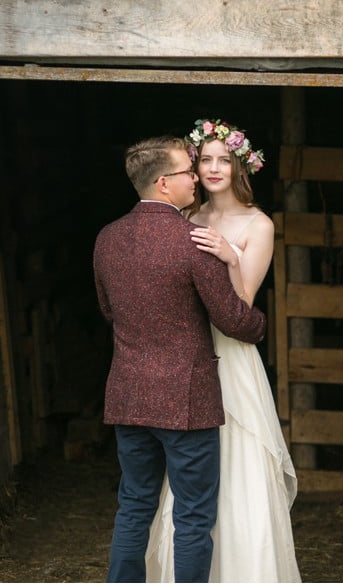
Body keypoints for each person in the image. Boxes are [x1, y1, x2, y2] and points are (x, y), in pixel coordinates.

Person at [94, 135, 267, 583]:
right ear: (165, 183)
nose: (197, 177)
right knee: (192, 517)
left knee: (133, 505)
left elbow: (110, 312)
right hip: (186, 402)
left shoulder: (107, 238)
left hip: (129, 396)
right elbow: (233, 320)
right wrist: (262, 324)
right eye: (188, 171)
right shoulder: (193, 239)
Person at [146, 119, 300, 582]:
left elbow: (242, 306)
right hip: (187, 352)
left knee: (239, 459)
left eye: (223, 161)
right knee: (190, 469)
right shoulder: (185, 218)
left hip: (229, 356)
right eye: (205, 160)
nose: (214, 169)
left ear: (239, 167)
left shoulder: (259, 224)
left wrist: (231, 256)